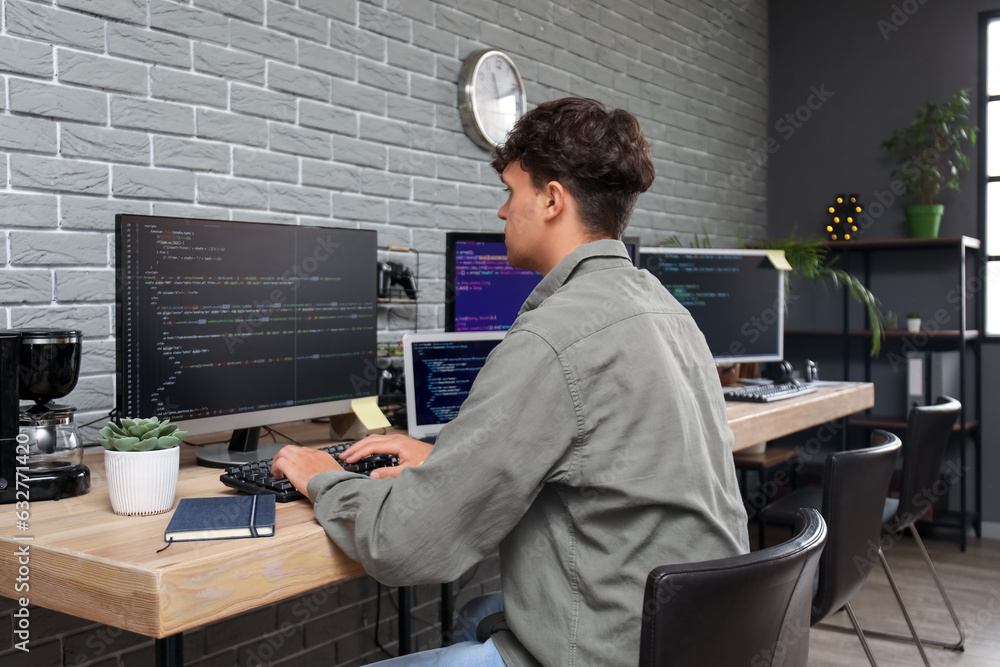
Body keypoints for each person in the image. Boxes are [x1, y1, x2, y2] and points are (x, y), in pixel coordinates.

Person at [272, 97, 750, 666]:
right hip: (697, 639)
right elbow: (603, 462)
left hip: (610, 652)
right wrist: (444, 459)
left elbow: (408, 545)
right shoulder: (666, 309)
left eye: (510, 191)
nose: (502, 211)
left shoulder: (554, 337)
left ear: (551, 200)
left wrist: (325, 479)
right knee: (479, 615)